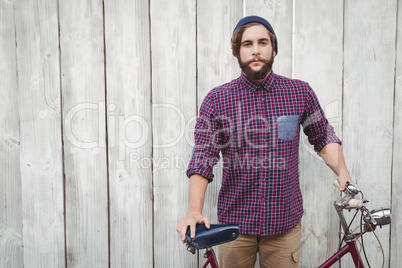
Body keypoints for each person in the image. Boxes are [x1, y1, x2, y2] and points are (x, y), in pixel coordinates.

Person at [176, 15, 352, 267]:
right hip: (235, 227)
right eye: (247, 44)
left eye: (262, 42)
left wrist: (343, 174)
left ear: (274, 48)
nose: (255, 50)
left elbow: (322, 135)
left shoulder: (299, 92)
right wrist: (194, 210)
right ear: (237, 51)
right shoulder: (217, 99)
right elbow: (204, 156)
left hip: (284, 225)